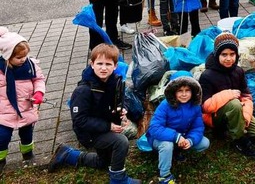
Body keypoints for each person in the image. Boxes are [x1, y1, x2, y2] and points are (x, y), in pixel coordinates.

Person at [48, 44, 140, 184]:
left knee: (103, 163)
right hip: (88, 133)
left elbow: (120, 101)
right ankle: (118, 179)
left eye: (108, 64)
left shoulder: (115, 82)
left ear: (115, 66)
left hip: (102, 126)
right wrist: (109, 126)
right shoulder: (83, 91)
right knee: (121, 142)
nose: (104, 68)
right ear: (92, 64)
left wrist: (123, 110)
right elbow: (79, 120)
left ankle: (68, 154)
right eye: (100, 63)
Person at [200, 33, 255, 158]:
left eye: (232, 54)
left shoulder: (238, 71)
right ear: (217, 55)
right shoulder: (207, 76)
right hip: (214, 116)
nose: (228, 58)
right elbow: (205, 107)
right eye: (224, 55)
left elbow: (246, 96)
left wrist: (245, 115)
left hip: (236, 109)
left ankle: (231, 128)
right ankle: (239, 141)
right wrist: (228, 94)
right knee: (234, 103)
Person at [146, 72, 209, 183]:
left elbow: (198, 128)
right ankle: (164, 176)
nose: (184, 94)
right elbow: (155, 128)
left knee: (204, 143)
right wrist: (176, 136)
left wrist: (191, 140)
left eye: (187, 90)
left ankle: (176, 152)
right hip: (160, 139)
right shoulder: (165, 105)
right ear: (173, 91)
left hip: (182, 137)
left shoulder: (195, 106)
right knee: (167, 145)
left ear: (193, 91)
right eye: (180, 91)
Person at [0, 28, 45, 171]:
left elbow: (39, 79)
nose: (23, 59)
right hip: (4, 110)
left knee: (27, 134)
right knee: (2, 136)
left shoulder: (30, 66)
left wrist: (39, 93)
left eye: (25, 55)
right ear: (7, 56)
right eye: (19, 57)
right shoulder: (1, 71)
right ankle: (1, 158)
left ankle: (27, 154)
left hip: (26, 107)